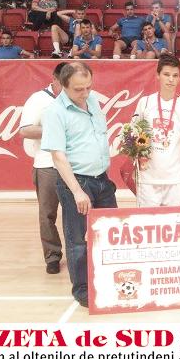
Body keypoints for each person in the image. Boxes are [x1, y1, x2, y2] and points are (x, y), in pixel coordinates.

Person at [41, 62, 118, 307]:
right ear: (63, 86)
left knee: (109, 233)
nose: (85, 93)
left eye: (88, 87)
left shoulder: (92, 100)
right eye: (78, 89)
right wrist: (76, 191)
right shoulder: (54, 112)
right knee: (78, 240)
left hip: (102, 179)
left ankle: (108, 280)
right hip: (77, 181)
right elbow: (58, 156)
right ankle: (83, 290)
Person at [19, 62, 67, 274]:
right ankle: (52, 256)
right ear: (54, 79)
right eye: (64, 83)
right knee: (47, 214)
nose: (68, 87)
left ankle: (78, 253)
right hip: (47, 164)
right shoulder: (38, 99)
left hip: (74, 164)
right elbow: (25, 130)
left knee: (76, 213)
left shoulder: (77, 97)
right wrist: (54, 129)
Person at [132, 54, 180, 207]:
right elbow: (132, 137)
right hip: (148, 178)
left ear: (179, 78)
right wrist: (136, 164)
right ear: (158, 75)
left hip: (177, 179)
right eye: (166, 74)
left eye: (175, 75)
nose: (171, 79)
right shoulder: (145, 103)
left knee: (178, 220)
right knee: (148, 220)